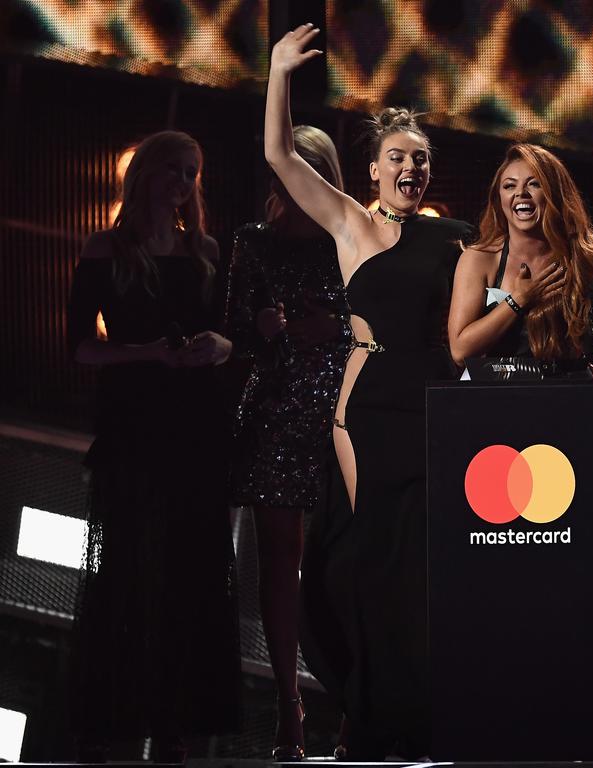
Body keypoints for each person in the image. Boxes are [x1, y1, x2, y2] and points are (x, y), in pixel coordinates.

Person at [264, 23, 473, 760]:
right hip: (366, 410)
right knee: (365, 560)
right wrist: (281, 72)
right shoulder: (350, 223)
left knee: (420, 565)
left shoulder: (455, 235)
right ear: (375, 170)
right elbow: (279, 154)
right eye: (397, 158)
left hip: (435, 408)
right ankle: (364, 712)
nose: (410, 168)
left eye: (420, 159)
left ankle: (407, 718)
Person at [66, 130, 240, 762]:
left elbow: (225, 336)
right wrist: (145, 355)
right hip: (135, 431)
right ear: (143, 173)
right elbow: (81, 345)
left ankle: (174, 729)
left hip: (195, 432)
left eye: (191, 172)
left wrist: (216, 347)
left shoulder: (207, 251)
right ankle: (117, 724)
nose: (182, 181)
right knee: (131, 576)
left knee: (191, 580)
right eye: (172, 168)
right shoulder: (106, 249)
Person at [224, 124, 349, 760]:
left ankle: (355, 702)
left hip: (338, 420)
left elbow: (381, 331)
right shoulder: (254, 244)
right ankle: (287, 705)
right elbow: (234, 336)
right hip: (273, 414)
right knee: (278, 567)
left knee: (342, 567)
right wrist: (262, 327)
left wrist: (337, 328)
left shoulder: (350, 241)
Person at [448, 143, 593, 376]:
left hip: (570, 393)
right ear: (499, 199)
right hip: (499, 395)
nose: (521, 193)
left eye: (534, 184)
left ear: (555, 193)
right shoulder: (480, 259)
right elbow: (460, 351)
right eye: (510, 186)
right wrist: (519, 299)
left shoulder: (589, 253)